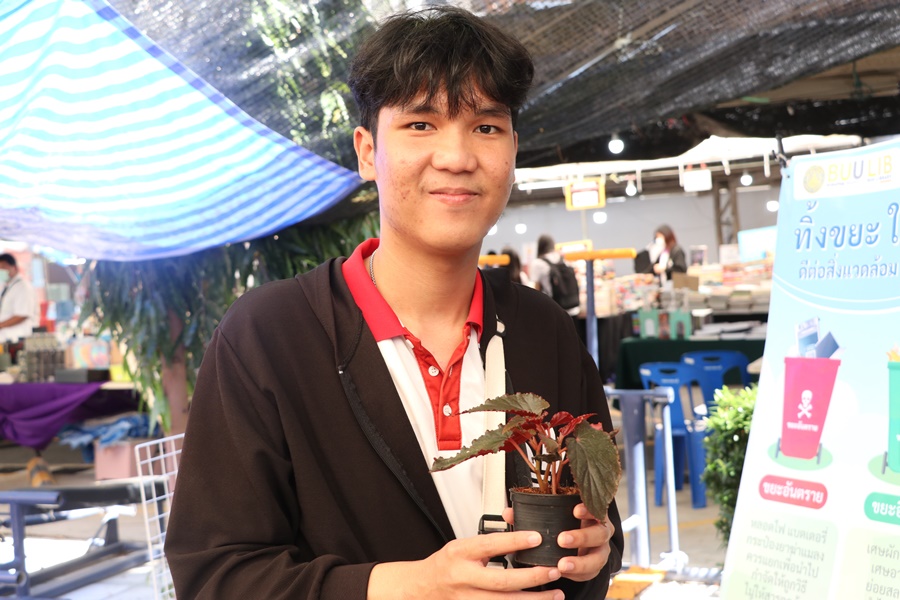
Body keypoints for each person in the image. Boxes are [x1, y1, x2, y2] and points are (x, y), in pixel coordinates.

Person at [165, 7, 622, 600]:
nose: (457, 156)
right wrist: (408, 587)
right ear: (366, 151)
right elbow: (214, 577)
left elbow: (599, 535)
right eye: (420, 123)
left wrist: (595, 553)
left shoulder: (544, 330)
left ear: (513, 149)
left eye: (486, 127)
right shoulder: (268, 336)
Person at [531, 234, 580, 316]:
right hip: (573, 307)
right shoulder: (563, 258)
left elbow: (536, 290)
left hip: (554, 310)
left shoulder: (537, 263)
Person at [0, 253, 36, 343]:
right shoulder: (6, 286)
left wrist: (1, 325)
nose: (1, 271)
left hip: (17, 339)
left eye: (3, 267)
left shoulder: (23, 287)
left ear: (15, 268)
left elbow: (22, 314)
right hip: (6, 338)